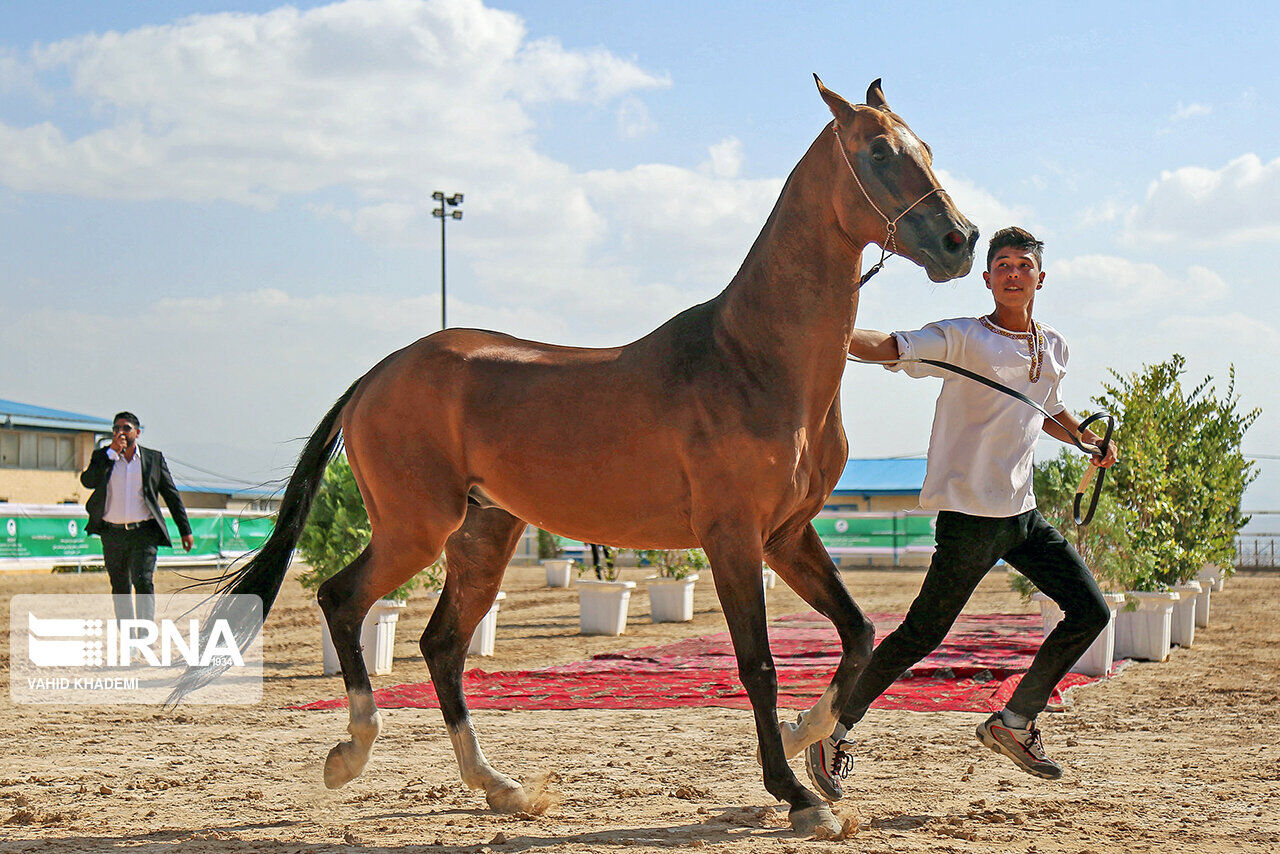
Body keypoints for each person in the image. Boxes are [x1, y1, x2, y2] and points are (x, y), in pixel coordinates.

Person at [805, 227, 1119, 798]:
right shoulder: (962, 338)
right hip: (969, 519)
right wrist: (829, 333)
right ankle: (833, 733)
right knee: (921, 635)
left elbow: (1044, 409)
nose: (1013, 273)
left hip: (1022, 516)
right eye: (1002, 264)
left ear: (1040, 278)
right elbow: (891, 346)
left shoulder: (1054, 348)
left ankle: (1014, 722)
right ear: (988, 278)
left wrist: (1084, 440)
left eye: (1023, 265)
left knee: (1090, 611)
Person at [81, 411, 194, 625]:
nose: (120, 432)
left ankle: (143, 634)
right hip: (112, 533)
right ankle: (128, 638)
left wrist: (185, 530)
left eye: (126, 428)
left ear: (138, 432)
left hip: (144, 532)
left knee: (143, 582)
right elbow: (88, 481)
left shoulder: (153, 459)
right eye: (116, 429)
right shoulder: (102, 456)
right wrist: (110, 455)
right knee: (120, 587)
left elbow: (171, 495)